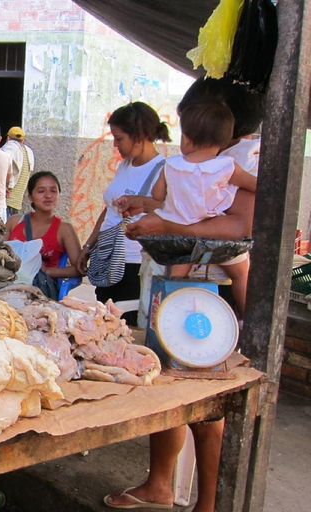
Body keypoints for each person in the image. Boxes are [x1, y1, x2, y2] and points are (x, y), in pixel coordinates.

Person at [104, 78, 265, 512]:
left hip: (214, 295)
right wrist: (150, 208)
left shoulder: (241, 161)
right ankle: (160, 483)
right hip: (178, 283)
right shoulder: (198, 161)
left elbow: (237, 228)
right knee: (165, 381)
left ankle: (207, 504)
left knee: (204, 403)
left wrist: (169, 227)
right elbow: (175, 207)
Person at [121, 101, 256, 317]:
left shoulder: (172, 165)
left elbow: (158, 196)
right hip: (216, 240)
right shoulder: (228, 165)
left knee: (174, 282)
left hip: (180, 240)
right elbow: (256, 185)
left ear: (186, 138)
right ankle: (247, 319)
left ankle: (165, 321)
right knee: (241, 274)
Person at [76, 102, 171, 326]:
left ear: (140, 135)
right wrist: (88, 247)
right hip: (107, 257)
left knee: (125, 327)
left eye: (119, 139)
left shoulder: (164, 169)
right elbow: (109, 210)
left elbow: (168, 213)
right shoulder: (124, 166)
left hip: (133, 263)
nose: (116, 145)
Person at [5, 171, 83, 281]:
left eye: (53, 191)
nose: (48, 195)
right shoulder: (14, 222)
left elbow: (79, 269)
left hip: (40, 290)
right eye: (41, 191)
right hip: (6, 284)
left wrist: (47, 270)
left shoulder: (65, 230)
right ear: (30, 197)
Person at [1, 126, 35, 217]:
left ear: (8, 138)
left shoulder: (9, 149)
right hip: (17, 202)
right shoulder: (29, 153)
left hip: (5, 201)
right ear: (23, 140)